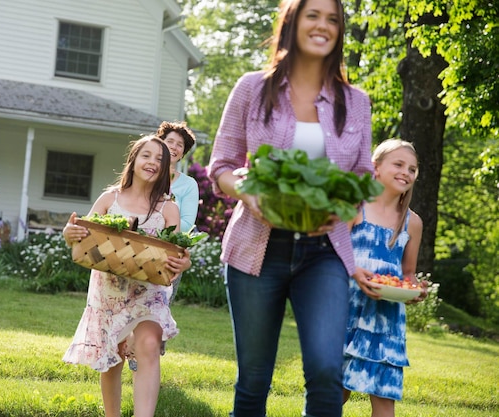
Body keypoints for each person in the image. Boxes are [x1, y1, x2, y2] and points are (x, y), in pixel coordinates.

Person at [207, 0, 375, 416]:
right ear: (292, 22)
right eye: (313, 15)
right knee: (254, 378)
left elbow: (364, 173)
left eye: (333, 19)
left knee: (325, 371)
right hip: (256, 251)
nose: (323, 25)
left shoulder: (356, 101)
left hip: (325, 254)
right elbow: (222, 165)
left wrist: (343, 204)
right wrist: (249, 193)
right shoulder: (252, 88)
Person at [61, 135, 192, 417]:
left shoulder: (169, 208)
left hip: (149, 293)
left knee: (148, 343)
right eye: (146, 155)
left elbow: (178, 252)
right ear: (133, 161)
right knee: (114, 357)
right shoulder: (110, 199)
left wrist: (184, 261)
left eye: (160, 159)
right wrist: (68, 233)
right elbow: (83, 234)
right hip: (109, 293)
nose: (153, 162)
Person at [343, 139, 428, 417]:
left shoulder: (412, 222)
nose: (407, 172)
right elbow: (334, 253)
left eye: (412, 169)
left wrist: (414, 289)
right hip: (347, 309)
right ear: (375, 168)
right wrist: (356, 272)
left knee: (383, 397)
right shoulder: (356, 208)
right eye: (399, 164)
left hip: (386, 317)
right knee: (334, 393)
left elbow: (407, 273)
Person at [155, 120, 199, 303]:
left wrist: (157, 232)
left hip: (170, 255)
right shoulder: (146, 173)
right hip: (136, 249)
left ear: (183, 153)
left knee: (158, 313)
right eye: (170, 141)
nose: (174, 147)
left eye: (179, 145)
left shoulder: (189, 185)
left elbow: (187, 224)